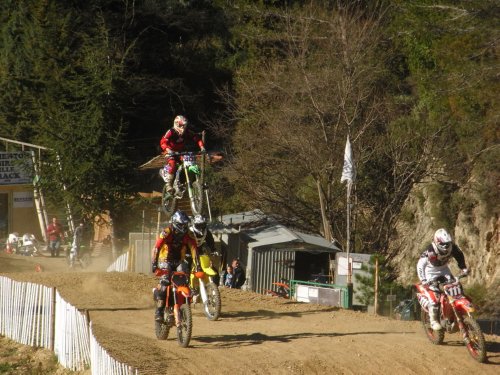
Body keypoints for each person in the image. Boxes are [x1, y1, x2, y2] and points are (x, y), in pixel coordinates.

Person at [151, 210, 201, 322]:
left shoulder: (188, 234)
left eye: (185, 225)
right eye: (181, 225)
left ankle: (183, 305)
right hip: (165, 260)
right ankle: (159, 310)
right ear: (174, 223)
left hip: (179, 261)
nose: (184, 227)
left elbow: (194, 249)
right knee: (165, 281)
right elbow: (156, 247)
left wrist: (198, 266)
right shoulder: (166, 232)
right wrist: (154, 264)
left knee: (184, 278)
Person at [416, 228, 468, 330]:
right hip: (430, 273)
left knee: (456, 287)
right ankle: (433, 320)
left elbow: (459, 255)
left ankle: (455, 313)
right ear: (437, 242)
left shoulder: (452, 248)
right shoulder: (430, 251)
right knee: (434, 298)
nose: (446, 246)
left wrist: (463, 268)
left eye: (447, 243)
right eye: (443, 244)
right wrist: (423, 280)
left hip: (444, 270)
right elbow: (420, 265)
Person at [159, 115, 206, 194]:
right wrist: (167, 149)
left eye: (185, 125)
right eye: (182, 125)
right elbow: (163, 141)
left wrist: (202, 147)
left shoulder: (187, 132)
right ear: (177, 124)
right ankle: (168, 184)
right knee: (173, 163)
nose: (184, 127)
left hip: (180, 152)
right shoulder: (171, 131)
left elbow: (197, 138)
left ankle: (195, 182)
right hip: (169, 152)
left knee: (190, 163)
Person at [188, 214, 221, 285]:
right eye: (199, 225)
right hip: (188, 250)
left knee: (208, 264)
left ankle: (214, 284)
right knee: (187, 267)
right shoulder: (189, 231)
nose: (201, 227)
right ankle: (187, 283)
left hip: (199, 249)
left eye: (202, 225)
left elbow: (210, 241)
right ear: (195, 224)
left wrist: (213, 250)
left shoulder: (206, 232)